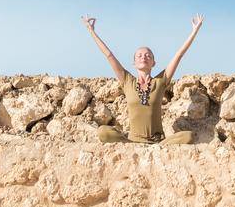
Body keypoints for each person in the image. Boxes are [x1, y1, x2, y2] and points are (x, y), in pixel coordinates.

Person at [81, 13, 203, 145]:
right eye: (139, 56)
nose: (143, 57)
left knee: (188, 136)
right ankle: (130, 143)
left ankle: (156, 145)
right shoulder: (127, 80)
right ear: (134, 63)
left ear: (153, 63)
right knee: (103, 132)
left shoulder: (161, 81)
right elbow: (109, 55)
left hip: (158, 143)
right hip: (132, 142)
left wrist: (194, 31)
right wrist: (91, 31)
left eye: (148, 56)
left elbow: (179, 55)